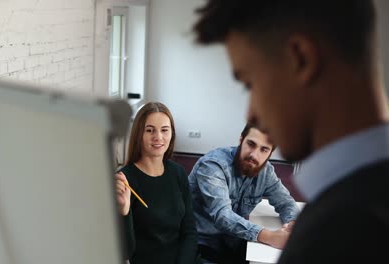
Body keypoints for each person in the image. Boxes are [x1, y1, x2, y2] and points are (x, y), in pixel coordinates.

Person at [192, 0, 389, 263]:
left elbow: (284, 203)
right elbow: (222, 216)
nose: (251, 113)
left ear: (301, 59)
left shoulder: (339, 231)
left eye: (251, 83)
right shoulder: (351, 208)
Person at [189, 123, 300, 264]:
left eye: (264, 149)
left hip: (233, 241)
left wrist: (292, 223)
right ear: (241, 140)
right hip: (202, 243)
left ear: (270, 153)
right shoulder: (212, 166)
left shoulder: (265, 171)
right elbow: (222, 216)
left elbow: (286, 202)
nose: (254, 154)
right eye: (251, 144)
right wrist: (270, 236)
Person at [115, 102, 199, 264]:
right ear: (139, 134)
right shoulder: (125, 180)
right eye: (150, 130)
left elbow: (189, 231)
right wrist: (123, 213)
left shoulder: (178, 172)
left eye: (164, 130)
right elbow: (124, 252)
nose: (158, 137)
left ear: (172, 134)